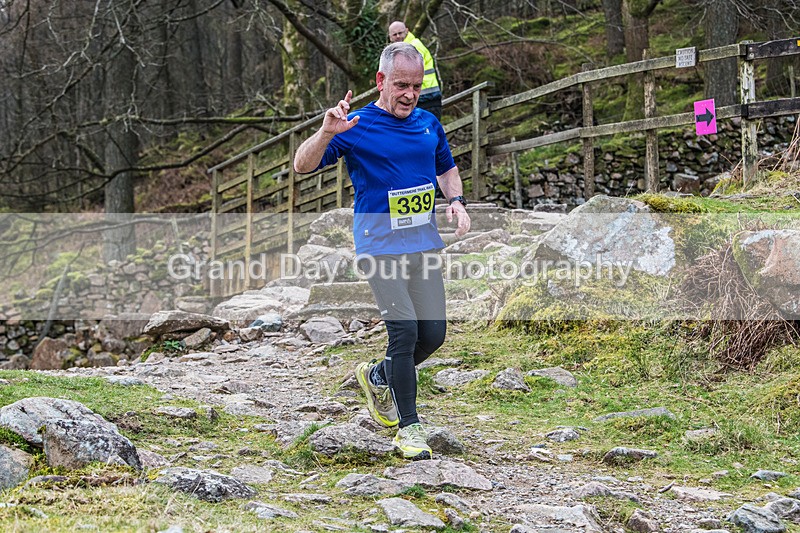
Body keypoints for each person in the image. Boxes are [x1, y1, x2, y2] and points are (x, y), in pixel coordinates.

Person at [293, 42, 470, 460]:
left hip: (423, 244)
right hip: (379, 246)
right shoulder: (356, 125)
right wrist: (326, 132)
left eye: (417, 86)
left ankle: (377, 375)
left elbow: (446, 168)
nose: (410, 94)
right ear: (380, 81)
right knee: (404, 332)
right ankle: (409, 429)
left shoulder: (428, 123)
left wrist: (457, 201)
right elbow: (302, 165)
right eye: (401, 85)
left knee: (433, 334)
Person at [388, 21, 443, 121]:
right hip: (419, 98)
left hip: (427, 98)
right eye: (394, 34)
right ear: (390, 37)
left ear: (407, 31)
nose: (398, 36)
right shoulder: (402, 49)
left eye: (400, 33)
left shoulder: (413, 47)